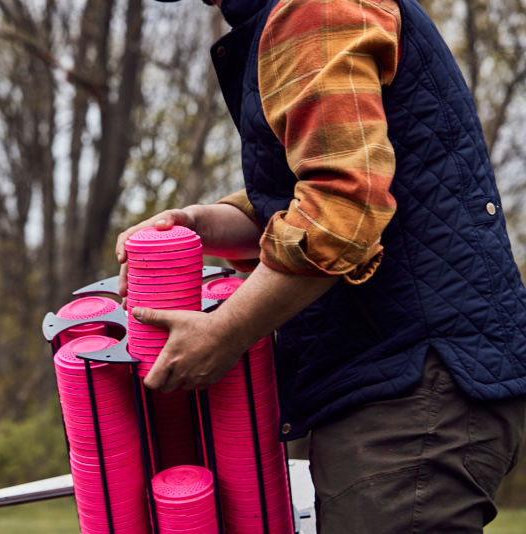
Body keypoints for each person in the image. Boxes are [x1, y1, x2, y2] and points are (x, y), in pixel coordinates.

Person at [115, 0, 526, 532]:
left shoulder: (312, 6)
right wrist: (205, 223)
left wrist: (223, 334)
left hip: (411, 386)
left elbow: (341, 213)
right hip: (399, 382)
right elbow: (330, 190)